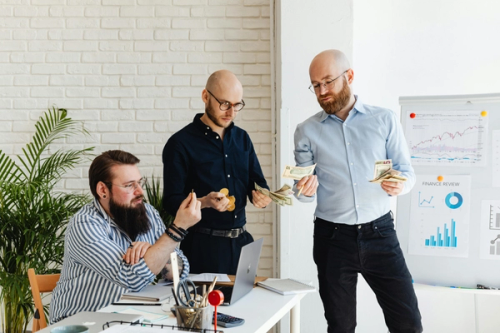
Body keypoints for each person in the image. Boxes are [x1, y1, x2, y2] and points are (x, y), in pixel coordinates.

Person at [294, 50, 422, 333]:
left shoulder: (384, 120)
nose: (322, 91)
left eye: (328, 81)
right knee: (340, 327)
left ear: (349, 76)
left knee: (408, 323)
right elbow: (302, 193)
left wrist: (402, 184)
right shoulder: (306, 131)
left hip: (381, 235)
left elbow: (407, 172)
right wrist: (304, 189)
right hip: (332, 239)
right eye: (316, 85)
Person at [50, 150, 201, 323]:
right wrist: (177, 228)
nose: (140, 191)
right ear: (102, 190)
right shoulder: (85, 224)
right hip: (81, 322)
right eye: (129, 185)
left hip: (127, 316)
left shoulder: (148, 213)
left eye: (139, 183)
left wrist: (152, 250)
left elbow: (178, 272)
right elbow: (131, 280)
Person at [162, 70, 272, 275]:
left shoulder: (242, 138)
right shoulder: (179, 144)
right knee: (208, 308)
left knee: (247, 306)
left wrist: (261, 195)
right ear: (205, 96)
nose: (231, 112)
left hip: (242, 244)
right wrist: (204, 201)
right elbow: (170, 201)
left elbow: (257, 183)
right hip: (202, 248)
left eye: (237, 105)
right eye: (224, 103)